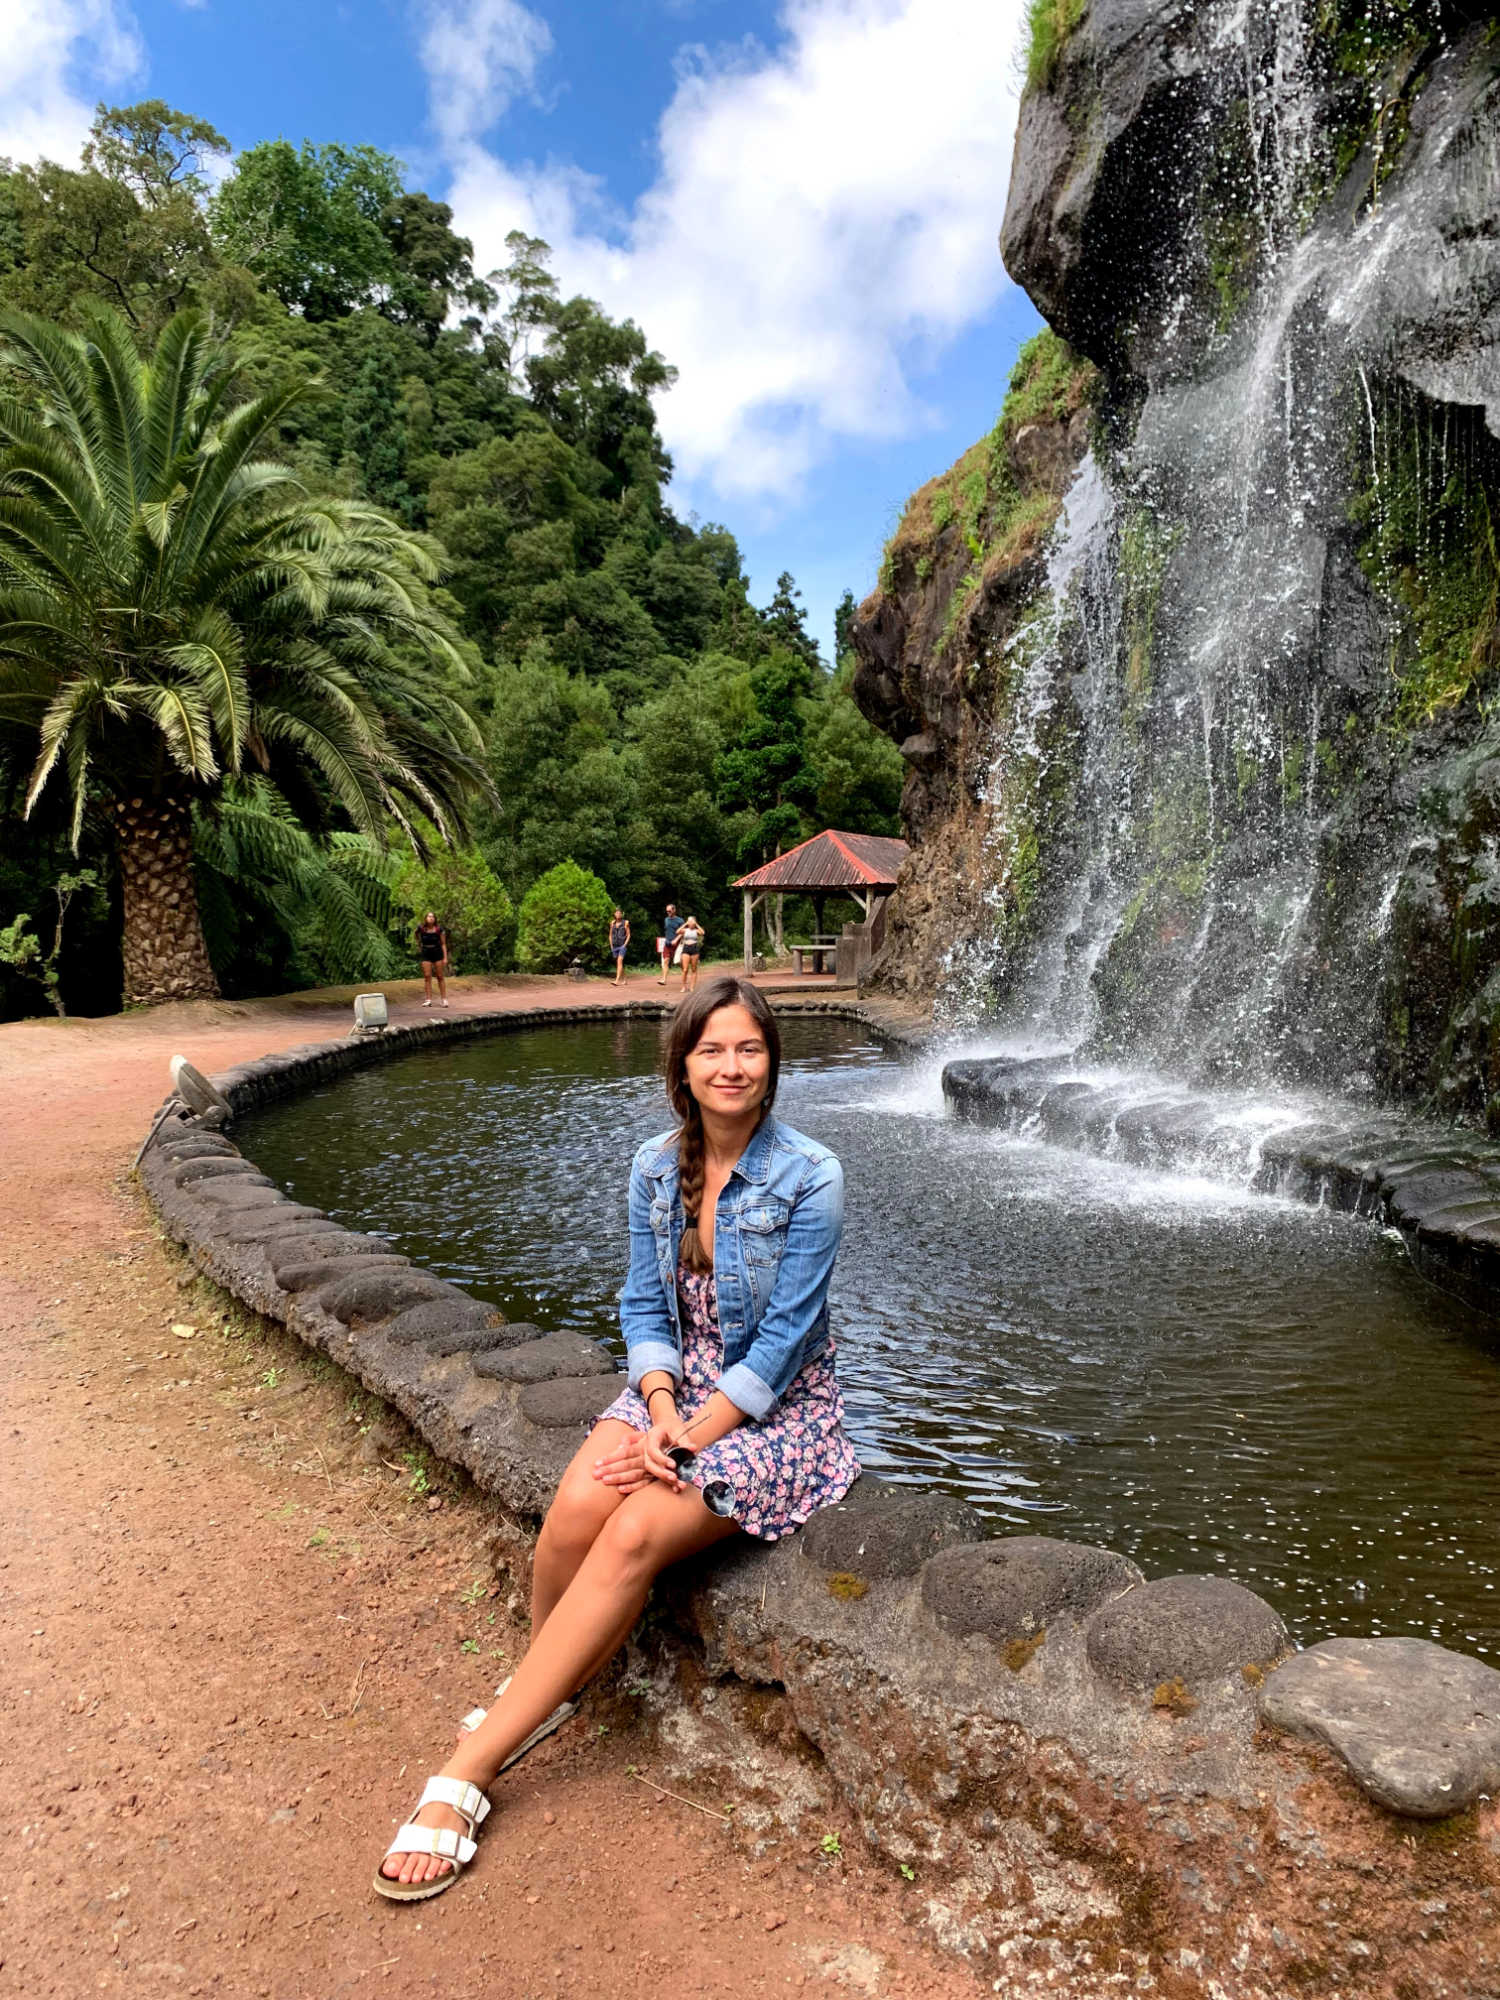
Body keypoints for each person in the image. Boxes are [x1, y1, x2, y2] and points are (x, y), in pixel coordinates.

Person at [374, 977, 859, 1900]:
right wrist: (662, 1407)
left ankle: (471, 1768)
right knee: (575, 1509)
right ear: (682, 1062)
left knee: (635, 1527)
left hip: (779, 1412)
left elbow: (784, 1347)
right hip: (675, 1394)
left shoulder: (813, 1176)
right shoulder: (651, 1166)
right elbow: (645, 1306)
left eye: (748, 1049)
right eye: (712, 1049)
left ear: (772, 1063)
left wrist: (680, 1446)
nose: (731, 1066)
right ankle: (546, 1694)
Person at [415, 911, 449, 1007]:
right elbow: (416, 935)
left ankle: (444, 999)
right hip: (426, 952)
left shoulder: (439, 930)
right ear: (425, 918)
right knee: (427, 976)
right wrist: (419, 945)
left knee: (440, 976)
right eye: (429, 916)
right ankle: (428, 999)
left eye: (432, 917)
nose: (430, 918)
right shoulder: (421, 929)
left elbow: (443, 944)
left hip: (437, 952)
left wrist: (445, 957)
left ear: (435, 919)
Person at [677, 914, 704, 991]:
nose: (690, 922)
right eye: (689, 921)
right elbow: (678, 931)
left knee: (694, 969)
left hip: (694, 948)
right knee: (685, 969)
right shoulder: (685, 930)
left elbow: (702, 932)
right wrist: (685, 924)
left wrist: (697, 924)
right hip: (686, 948)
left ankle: (692, 987)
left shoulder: (696, 930)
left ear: (694, 922)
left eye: (691, 921)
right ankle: (683, 987)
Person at [656, 903, 682, 984]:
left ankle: (685, 970)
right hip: (667, 944)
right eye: (667, 911)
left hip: (677, 944)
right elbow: (667, 930)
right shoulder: (666, 919)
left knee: (677, 962)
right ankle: (663, 979)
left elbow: (682, 932)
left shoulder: (680, 920)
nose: (668, 913)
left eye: (670, 911)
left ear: (674, 910)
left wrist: (676, 939)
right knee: (666, 961)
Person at [608, 908, 631, 987]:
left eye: (619, 913)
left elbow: (628, 935)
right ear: (614, 914)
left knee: (619, 961)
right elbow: (610, 935)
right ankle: (624, 979)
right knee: (619, 963)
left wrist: (625, 945)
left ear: (622, 914)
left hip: (622, 946)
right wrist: (611, 945)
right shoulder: (612, 923)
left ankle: (617, 980)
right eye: (616, 913)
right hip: (614, 946)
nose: (618, 914)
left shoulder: (625, 923)